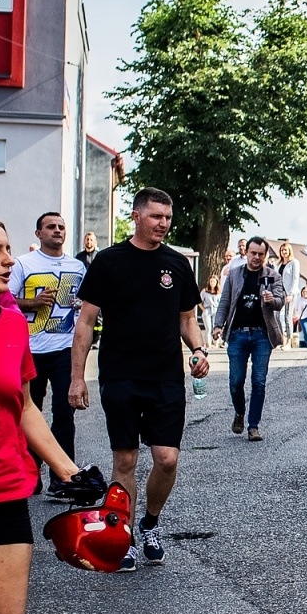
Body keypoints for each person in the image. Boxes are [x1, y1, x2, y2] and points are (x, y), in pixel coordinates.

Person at [68, 187, 209, 572]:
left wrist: (198, 351)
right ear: (136, 216)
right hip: (120, 376)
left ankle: (150, 523)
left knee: (166, 459)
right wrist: (77, 379)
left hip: (165, 378)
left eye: (168, 217)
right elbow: (84, 323)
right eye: (156, 217)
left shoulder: (178, 264)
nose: (164, 223)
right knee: (125, 459)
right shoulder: (109, 262)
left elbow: (187, 321)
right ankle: (126, 534)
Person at [0, 219, 104, 614]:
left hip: (6, 491)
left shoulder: (10, 322)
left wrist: (71, 473)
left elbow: (22, 405)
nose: (7, 261)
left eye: (6, 249)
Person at [11, 213, 87, 498]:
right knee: (30, 413)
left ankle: (63, 477)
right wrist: (31, 302)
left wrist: (83, 304)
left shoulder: (77, 267)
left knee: (63, 413)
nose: (57, 231)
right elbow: (5, 299)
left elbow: (90, 303)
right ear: (38, 233)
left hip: (64, 348)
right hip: (29, 348)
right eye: (51, 227)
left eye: (61, 227)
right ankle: (32, 475)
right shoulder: (23, 264)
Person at [212, 236, 284, 441]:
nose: (257, 257)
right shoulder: (234, 274)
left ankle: (254, 426)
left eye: (261, 254)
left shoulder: (272, 275)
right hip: (237, 334)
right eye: (253, 253)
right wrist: (218, 326)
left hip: (262, 335)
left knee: (259, 382)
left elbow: (281, 300)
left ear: (265, 255)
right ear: (246, 253)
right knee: (236, 382)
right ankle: (240, 412)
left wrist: (272, 300)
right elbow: (224, 302)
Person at [275, 242, 301, 348]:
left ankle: (289, 342)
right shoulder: (279, 264)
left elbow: (295, 279)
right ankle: (281, 339)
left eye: (286, 250)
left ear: (289, 251)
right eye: (282, 250)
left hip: (289, 292)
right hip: (279, 292)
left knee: (287, 316)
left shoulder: (294, 262)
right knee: (276, 316)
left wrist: (291, 293)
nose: (284, 252)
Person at [200, 274, 221, 348]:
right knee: (208, 328)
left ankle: (216, 344)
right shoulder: (205, 291)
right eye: (211, 281)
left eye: (214, 281)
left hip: (216, 310)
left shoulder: (219, 292)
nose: (212, 283)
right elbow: (199, 302)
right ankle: (208, 344)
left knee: (216, 328)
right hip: (207, 309)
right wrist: (203, 309)